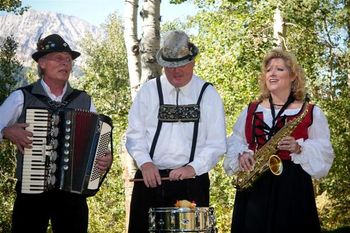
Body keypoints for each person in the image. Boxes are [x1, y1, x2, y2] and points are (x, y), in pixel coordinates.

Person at [0, 34, 113, 233]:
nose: (65, 63)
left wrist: (104, 158)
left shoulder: (84, 99)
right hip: (31, 192)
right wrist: (6, 131)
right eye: (58, 58)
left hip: (72, 195)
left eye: (68, 59)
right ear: (42, 63)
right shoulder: (22, 96)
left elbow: (98, 140)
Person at [125, 30, 227, 233]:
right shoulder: (148, 91)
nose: (176, 71)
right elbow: (134, 135)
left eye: (181, 65)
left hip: (192, 181)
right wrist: (145, 163)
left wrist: (193, 168)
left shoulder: (208, 94)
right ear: (163, 65)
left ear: (193, 62)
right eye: (170, 67)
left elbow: (216, 144)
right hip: (150, 179)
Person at [223, 48, 334, 233]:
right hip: (255, 183)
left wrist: (299, 148)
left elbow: (325, 151)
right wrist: (241, 154)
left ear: (292, 76)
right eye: (268, 70)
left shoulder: (311, 112)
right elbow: (235, 140)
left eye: (279, 69)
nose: (272, 73)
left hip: (293, 185)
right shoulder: (251, 109)